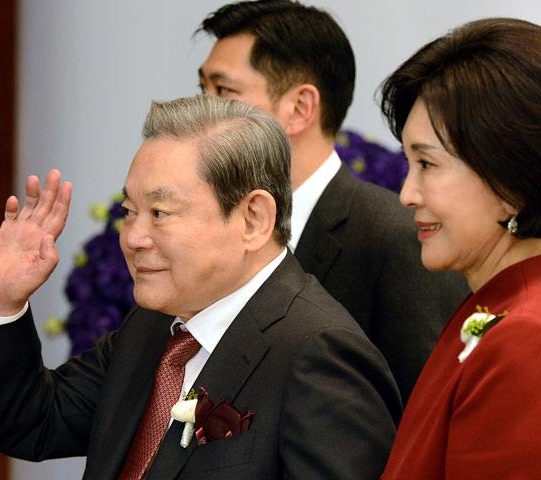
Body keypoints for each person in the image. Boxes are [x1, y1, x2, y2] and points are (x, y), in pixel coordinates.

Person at [0, 96, 400, 479]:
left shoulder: (318, 355)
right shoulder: (153, 328)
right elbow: (34, 422)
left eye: (160, 213)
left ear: (253, 219)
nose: (133, 238)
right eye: (129, 212)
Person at [197, 0, 469, 402]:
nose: (200, 112)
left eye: (223, 91)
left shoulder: (393, 237)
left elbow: (422, 408)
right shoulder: (207, 232)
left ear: (300, 108)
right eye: (201, 89)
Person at [378, 18, 541, 479]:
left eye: (427, 164)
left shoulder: (524, 337)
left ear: (510, 181)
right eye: (408, 163)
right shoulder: (494, 303)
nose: (407, 194)